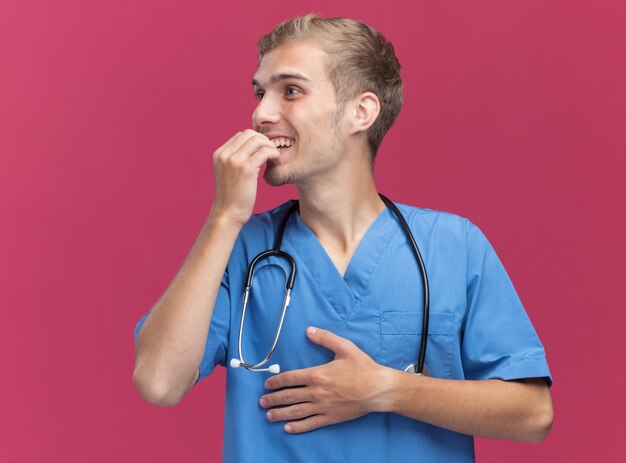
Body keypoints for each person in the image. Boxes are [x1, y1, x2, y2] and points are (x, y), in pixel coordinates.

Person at [132, 14, 553, 462]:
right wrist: (224, 216)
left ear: (361, 112)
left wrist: (384, 390)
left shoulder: (453, 246)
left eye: (290, 91)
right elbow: (158, 382)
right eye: (260, 92)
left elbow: (533, 415)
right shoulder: (240, 249)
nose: (260, 114)